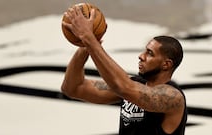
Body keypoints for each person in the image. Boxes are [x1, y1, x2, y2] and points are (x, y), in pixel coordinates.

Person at [61, 6, 187, 135]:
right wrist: (84, 46)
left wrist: (88, 38)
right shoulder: (133, 85)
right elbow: (73, 88)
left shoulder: (173, 97)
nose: (141, 56)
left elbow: (124, 87)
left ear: (166, 64)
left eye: (149, 53)